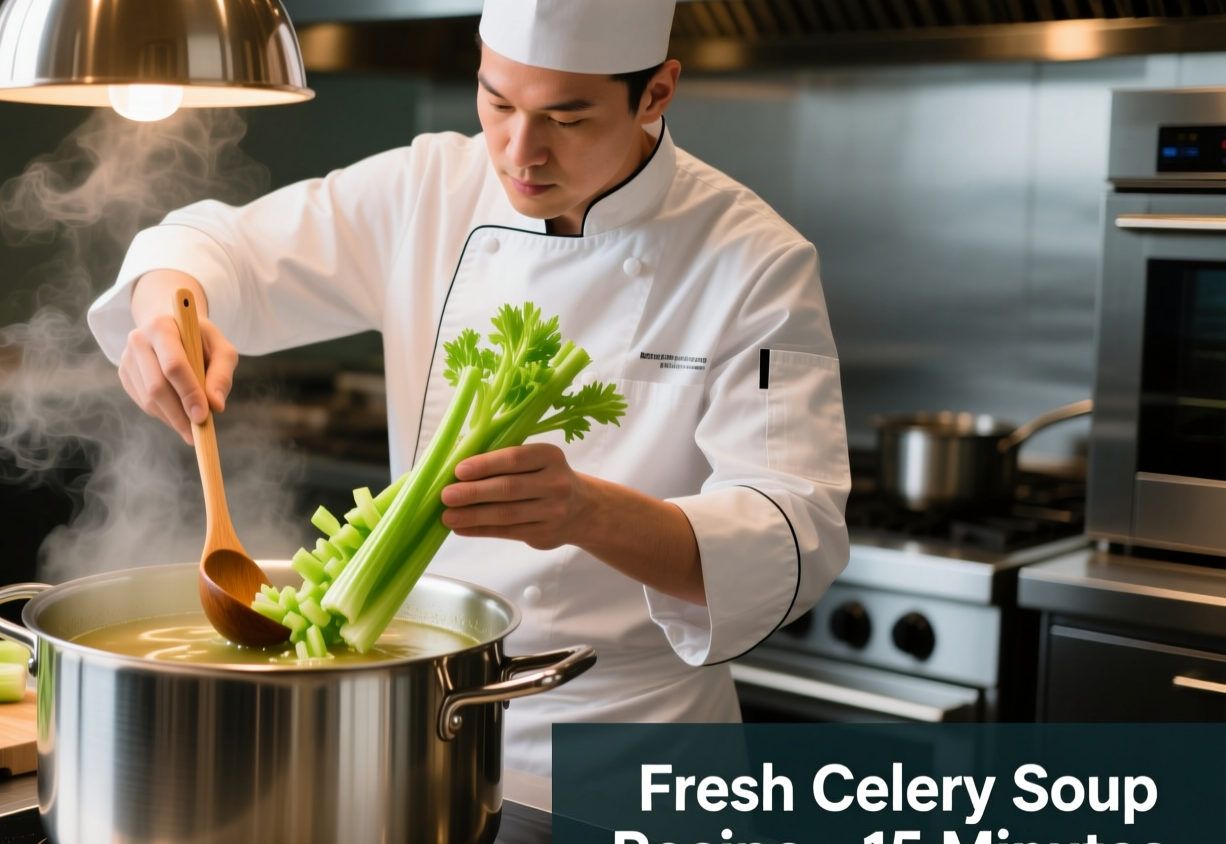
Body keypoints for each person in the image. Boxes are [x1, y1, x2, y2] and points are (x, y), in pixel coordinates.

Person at [90, 0, 850, 775]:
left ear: (655, 93)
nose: (521, 152)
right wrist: (164, 307)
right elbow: (220, 245)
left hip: (632, 742)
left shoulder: (754, 261)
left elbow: (797, 532)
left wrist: (588, 512)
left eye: (568, 118)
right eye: (497, 101)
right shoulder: (429, 189)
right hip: (420, 722)